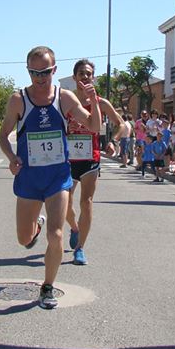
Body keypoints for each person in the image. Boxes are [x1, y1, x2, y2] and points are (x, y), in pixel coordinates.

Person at [0, 46, 100, 309]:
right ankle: (37, 224)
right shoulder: (18, 100)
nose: (39, 78)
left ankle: (47, 287)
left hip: (57, 178)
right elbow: (3, 135)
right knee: (24, 239)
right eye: (34, 72)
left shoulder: (64, 98)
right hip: (29, 179)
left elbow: (94, 126)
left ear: (54, 70)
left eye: (44, 72)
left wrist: (95, 101)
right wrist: (12, 158)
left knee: (56, 235)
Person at [64, 59, 123, 266]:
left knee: (86, 202)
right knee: (66, 204)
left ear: (93, 77)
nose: (85, 77)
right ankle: (74, 227)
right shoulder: (67, 100)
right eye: (81, 73)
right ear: (74, 77)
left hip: (91, 158)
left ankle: (80, 248)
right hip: (69, 159)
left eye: (89, 74)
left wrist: (113, 142)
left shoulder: (101, 102)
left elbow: (122, 125)